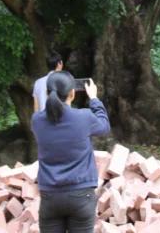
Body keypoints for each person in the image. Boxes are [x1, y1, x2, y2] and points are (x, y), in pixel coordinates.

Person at [32, 72, 110, 233]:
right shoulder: (84, 117)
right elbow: (104, 126)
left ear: (47, 93)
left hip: (50, 196)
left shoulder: (37, 121)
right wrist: (94, 99)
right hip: (81, 195)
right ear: (72, 93)